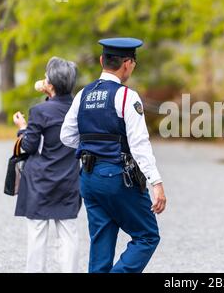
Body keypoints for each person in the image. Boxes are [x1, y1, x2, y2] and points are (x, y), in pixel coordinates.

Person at [60, 37, 166, 273]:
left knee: (101, 241)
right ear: (128, 64)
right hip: (118, 177)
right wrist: (156, 182)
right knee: (147, 236)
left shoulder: (82, 95)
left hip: (88, 178)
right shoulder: (127, 97)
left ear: (102, 60)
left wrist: (91, 147)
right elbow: (139, 143)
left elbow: (66, 136)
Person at [13, 57, 81, 273]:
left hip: (40, 181)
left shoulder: (40, 112)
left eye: (46, 77)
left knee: (37, 235)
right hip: (69, 179)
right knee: (69, 234)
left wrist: (22, 128)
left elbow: (29, 146)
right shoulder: (79, 109)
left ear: (50, 85)